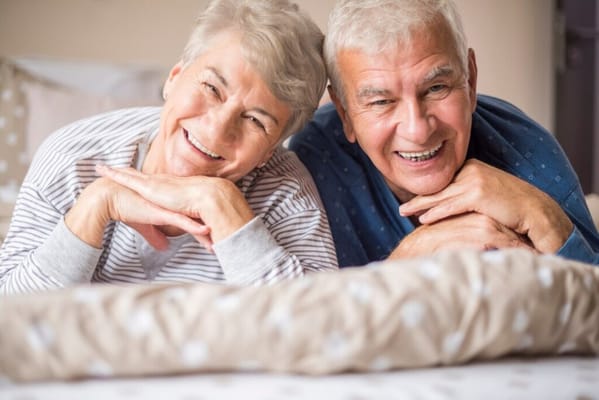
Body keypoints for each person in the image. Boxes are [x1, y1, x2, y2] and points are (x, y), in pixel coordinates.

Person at [0, 0, 338, 294]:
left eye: (255, 121)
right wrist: (96, 204)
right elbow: (9, 315)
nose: (217, 130)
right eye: (212, 88)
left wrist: (220, 203)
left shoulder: (286, 189)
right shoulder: (72, 158)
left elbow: (319, 333)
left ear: (269, 151)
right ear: (174, 78)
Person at [289, 0, 599, 267]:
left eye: (436, 88)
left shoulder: (527, 148)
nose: (418, 130)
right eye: (381, 102)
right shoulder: (314, 162)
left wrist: (542, 217)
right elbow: (309, 327)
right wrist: (406, 260)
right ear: (345, 114)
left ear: (471, 80)